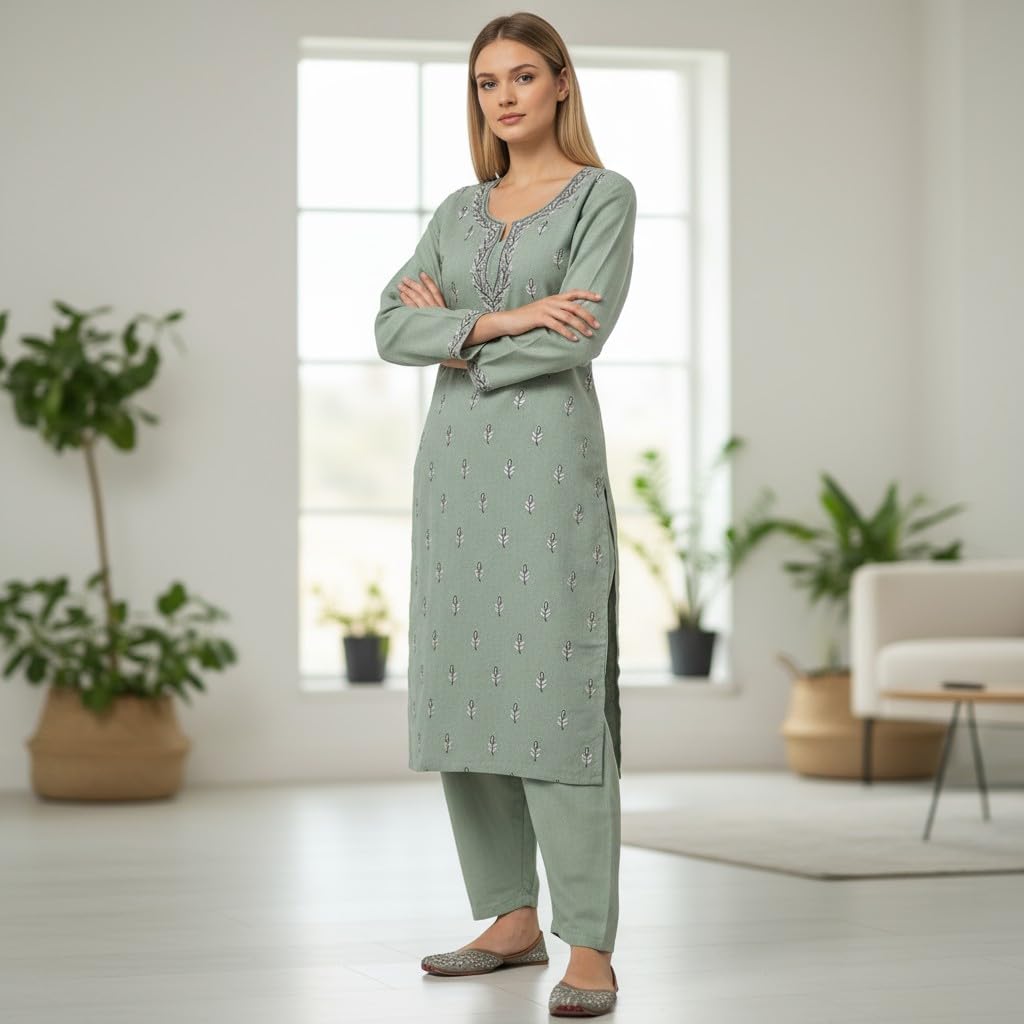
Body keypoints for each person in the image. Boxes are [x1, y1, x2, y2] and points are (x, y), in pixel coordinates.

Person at [374, 11, 636, 1018]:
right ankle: (509, 917)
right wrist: (508, 315)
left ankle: (590, 943)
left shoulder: (602, 196)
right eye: (488, 82)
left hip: (548, 469)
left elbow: (581, 333)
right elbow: (390, 327)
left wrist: (459, 341)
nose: (506, 96)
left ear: (561, 82)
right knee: (466, 689)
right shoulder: (457, 210)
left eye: (523, 75)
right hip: (454, 474)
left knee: (556, 692)